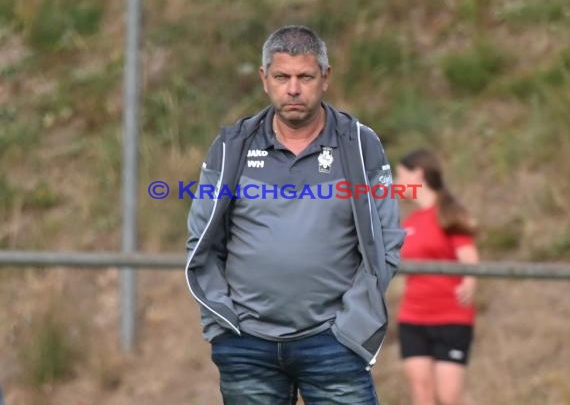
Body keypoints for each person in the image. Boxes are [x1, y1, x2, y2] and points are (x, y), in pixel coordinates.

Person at [184, 25, 406, 404]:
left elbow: (385, 240)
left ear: (325, 78)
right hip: (246, 345)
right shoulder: (232, 146)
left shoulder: (359, 144)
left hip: (335, 344)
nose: (293, 89)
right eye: (281, 76)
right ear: (264, 79)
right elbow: (201, 239)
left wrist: (352, 325)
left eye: (305, 76)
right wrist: (223, 323)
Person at [395, 149, 479, 405]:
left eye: (400, 176)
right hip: (413, 318)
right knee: (422, 394)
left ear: (418, 174)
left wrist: (470, 282)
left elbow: (469, 257)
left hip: (450, 318)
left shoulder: (449, 214)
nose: (397, 185)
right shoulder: (410, 222)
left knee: (448, 396)